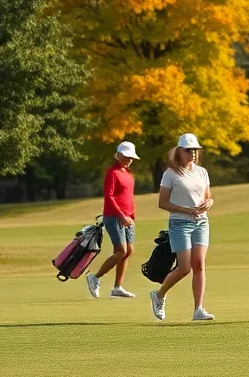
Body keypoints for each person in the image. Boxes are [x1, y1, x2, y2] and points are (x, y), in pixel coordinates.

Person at [151, 133, 214, 322]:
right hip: (179, 223)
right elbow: (162, 202)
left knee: (199, 265)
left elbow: (208, 196)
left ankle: (198, 309)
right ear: (179, 151)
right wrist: (185, 210)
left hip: (201, 222)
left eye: (195, 150)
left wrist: (209, 203)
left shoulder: (201, 172)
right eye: (188, 150)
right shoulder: (170, 174)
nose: (192, 154)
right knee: (184, 267)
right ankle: (159, 294)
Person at [88, 141, 142, 300]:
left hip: (128, 217)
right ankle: (95, 278)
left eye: (131, 157)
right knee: (121, 251)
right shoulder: (112, 173)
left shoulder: (129, 174)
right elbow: (109, 196)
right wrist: (121, 215)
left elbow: (129, 197)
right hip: (113, 216)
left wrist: (131, 215)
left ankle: (117, 287)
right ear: (118, 155)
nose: (129, 159)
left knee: (129, 251)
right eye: (126, 156)